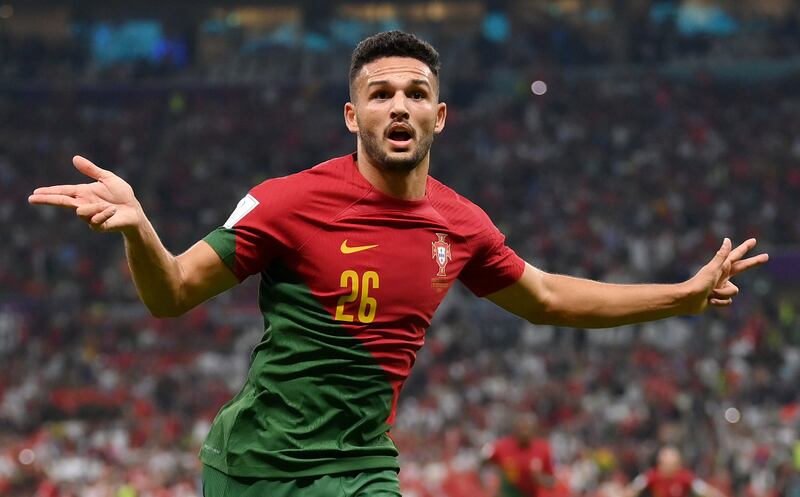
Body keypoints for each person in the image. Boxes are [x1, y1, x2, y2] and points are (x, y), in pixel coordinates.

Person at [28, 31, 768, 497]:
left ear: (439, 115)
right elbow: (174, 293)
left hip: (363, 469)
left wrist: (683, 295)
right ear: (353, 115)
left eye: (416, 93)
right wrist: (139, 232)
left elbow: (546, 297)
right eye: (379, 94)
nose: (399, 106)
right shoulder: (287, 202)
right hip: (252, 467)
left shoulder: (461, 222)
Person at [482, 413, 555, 497]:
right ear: (515, 430)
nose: (524, 432)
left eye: (527, 429)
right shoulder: (501, 446)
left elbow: (552, 483)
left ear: (535, 430)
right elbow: (483, 461)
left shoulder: (544, 449)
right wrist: (488, 486)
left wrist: (540, 479)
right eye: (521, 428)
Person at [625, 446, 727, 497]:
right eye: (666, 464)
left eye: (673, 464)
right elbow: (634, 488)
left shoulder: (685, 476)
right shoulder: (651, 475)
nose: (668, 467)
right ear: (659, 463)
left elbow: (704, 490)